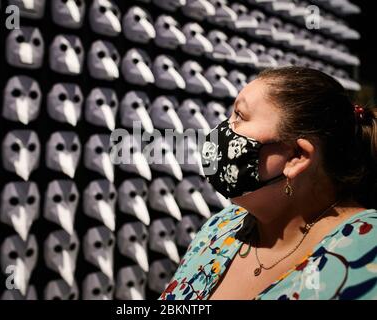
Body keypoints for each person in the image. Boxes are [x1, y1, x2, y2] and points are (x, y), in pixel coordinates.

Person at [159, 66, 377, 300]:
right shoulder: (221, 226)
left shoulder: (367, 253)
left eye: (239, 116)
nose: (221, 130)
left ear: (296, 157)